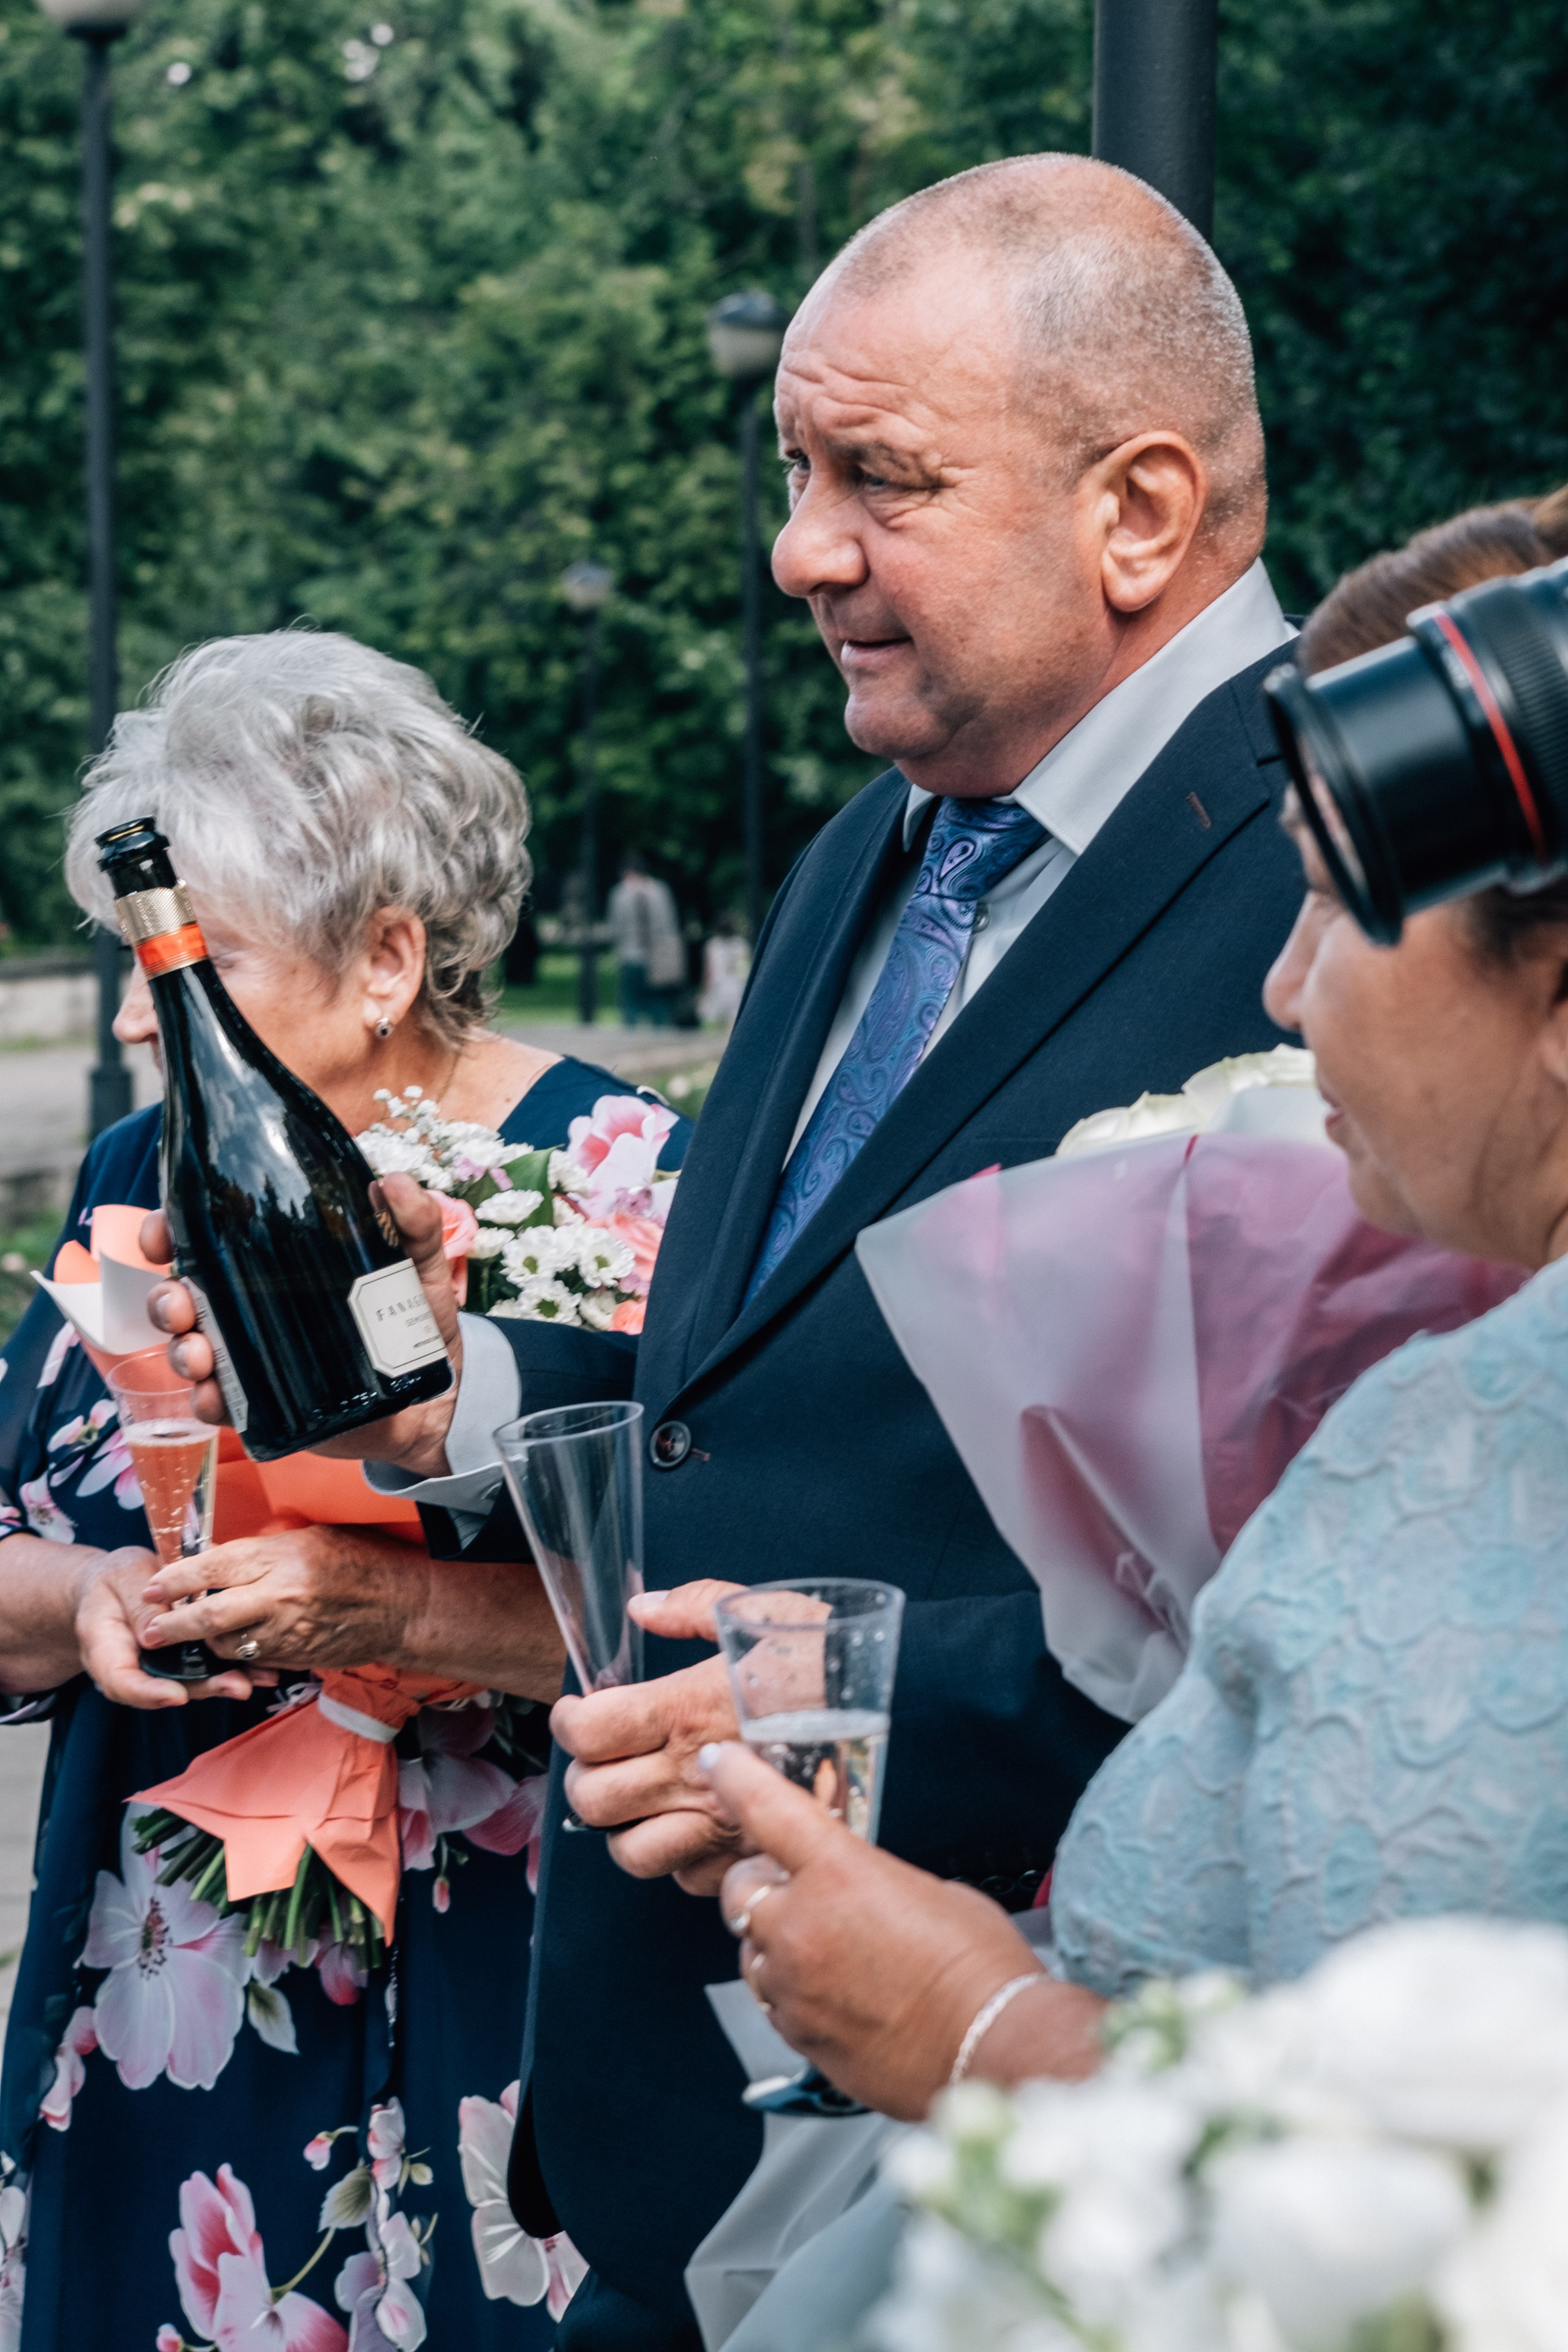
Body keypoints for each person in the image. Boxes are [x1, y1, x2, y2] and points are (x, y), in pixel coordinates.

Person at [307, 150, 1311, 2348]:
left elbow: (1335, 1574)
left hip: (1019, 2153)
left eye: (878, 476)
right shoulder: (882, 838)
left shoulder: (1358, 889)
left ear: (1136, 512)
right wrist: (466, 1390)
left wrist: (859, 1695)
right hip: (670, 2106)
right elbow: (769, 1389)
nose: (795, 551)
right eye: (791, 465)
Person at [690, 480, 1568, 2143]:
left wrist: (986, 2033)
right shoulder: (1457, 1400)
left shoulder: (1477, 1431)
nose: (1283, 983)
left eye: (1332, 901)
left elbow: (1458, 2162)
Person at [0, 631, 689, 2348]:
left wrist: (384, 1607)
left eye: (201, 961)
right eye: (140, 956)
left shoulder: (631, 1192)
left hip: (506, 1986)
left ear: (387, 956)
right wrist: (92, 1602)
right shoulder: (131, 1173)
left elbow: (707, 1614)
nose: (155, 1006)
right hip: (173, 1975)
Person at [608, 854, 685, 1027]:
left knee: (630, 998)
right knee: (658, 997)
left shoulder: (620, 893)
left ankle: (631, 1029)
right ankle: (660, 1029)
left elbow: (616, 926)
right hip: (658, 953)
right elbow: (669, 922)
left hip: (630, 952)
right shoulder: (660, 891)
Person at [698, 913, 752, 1030]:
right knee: (733, 1023)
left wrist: (704, 991)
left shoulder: (712, 946)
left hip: (718, 986)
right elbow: (744, 970)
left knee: (715, 1021)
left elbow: (709, 972)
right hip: (736, 987)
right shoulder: (741, 945)